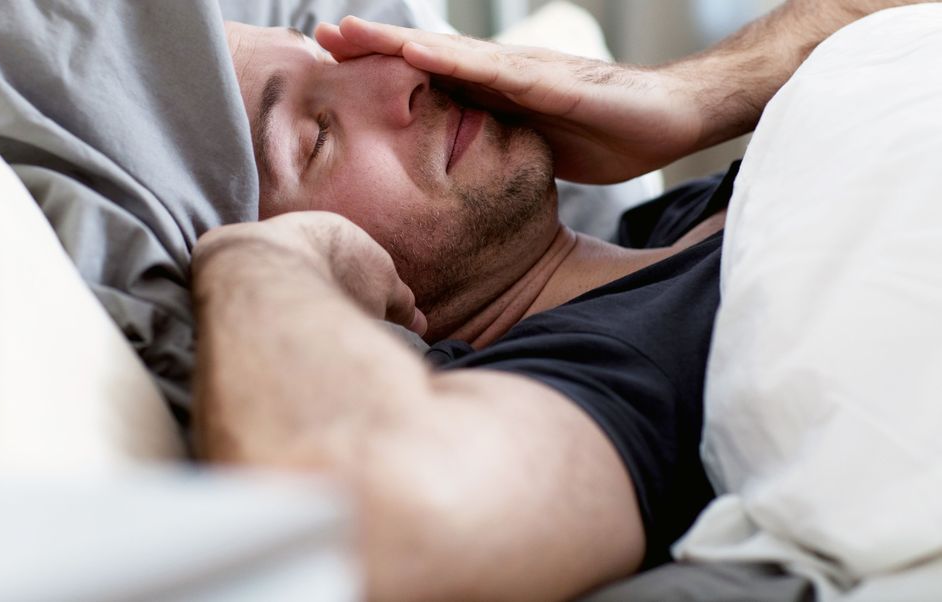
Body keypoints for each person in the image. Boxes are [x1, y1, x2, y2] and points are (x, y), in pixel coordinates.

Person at [193, 1, 923, 600]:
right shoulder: (599, 371)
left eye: (332, 59)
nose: (397, 78)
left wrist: (697, 95)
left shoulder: (669, 224)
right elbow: (381, 532)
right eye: (316, 136)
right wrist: (261, 256)